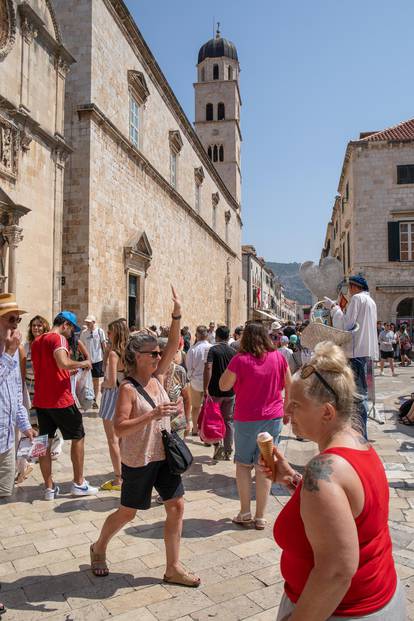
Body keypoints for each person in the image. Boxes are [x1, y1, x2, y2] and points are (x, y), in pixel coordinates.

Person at [260, 341, 405, 621]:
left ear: (327, 412)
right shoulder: (360, 444)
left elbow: (336, 572)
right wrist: (292, 480)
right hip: (381, 596)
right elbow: (347, 509)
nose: (286, 416)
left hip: (341, 612)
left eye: (295, 406)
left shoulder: (324, 471)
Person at [90, 288, 200, 587]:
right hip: (139, 459)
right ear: (137, 357)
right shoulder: (128, 388)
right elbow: (120, 429)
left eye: (158, 353)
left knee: (176, 506)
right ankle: (99, 547)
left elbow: (173, 344)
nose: (158, 356)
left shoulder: (158, 376)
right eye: (152, 353)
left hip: (164, 455)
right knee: (128, 513)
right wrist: (151, 415)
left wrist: (177, 313)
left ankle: (173, 567)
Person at [219, 321, 291, 530]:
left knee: (243, 465)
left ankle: (245, 512)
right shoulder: (278, 357)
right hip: (273, 418)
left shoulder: (239, 360)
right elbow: (289, 384)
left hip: (246, 419)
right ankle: (260, 516)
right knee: (265, 466)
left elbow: (224, 385)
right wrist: (287, 410)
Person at [31, 311, 97, 500]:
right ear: (65, 324)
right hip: (60, 399)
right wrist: (83, 362)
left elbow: (47, 368)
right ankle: (78, 483)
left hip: (41, 400)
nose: (71, 334)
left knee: (44, 442)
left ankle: (49, 488)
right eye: (72, 329)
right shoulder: (58, 339)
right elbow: (62, 363)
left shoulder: (37, 342)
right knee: (78, 436)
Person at [324, 274, 378, 439]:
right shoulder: (371, 301)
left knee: (357, 395)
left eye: (350, 288)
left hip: (355, 352)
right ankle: (359, 432)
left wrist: (334, 308)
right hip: (366, 351)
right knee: (361, 393)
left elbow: (346, 324)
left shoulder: (356, 300)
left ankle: (361, 435)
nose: (349, 291)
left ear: (354, 287)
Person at [0, 293, 36, 498]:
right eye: (10, 319)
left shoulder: (13, 353)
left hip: (5, 440)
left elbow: (15, 393)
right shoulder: (11, 353)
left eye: (18, 320)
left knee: (5, 492)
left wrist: (25, 425)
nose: (15, 325)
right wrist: (9, 352)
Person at [99, 319, 129, 491]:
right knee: (124, 439)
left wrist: (102, 384)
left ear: (115, 333)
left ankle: (119, 479)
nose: (108, 335)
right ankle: (127, 472)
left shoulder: (113, 353)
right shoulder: (129, 351)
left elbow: (110, 381)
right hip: (126, 395)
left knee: (113, 440)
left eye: (109, 332)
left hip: (112, 397)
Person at [203, 325, 236, 460]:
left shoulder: (213, 350)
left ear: (216, 336)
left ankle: (218, 446)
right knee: (228, 420)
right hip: (230, 392)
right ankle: (228, 450)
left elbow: (208, 367)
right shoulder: (233, 352)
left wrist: (206, 387)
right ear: (228, 336)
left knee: (214, 419)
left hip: (215, 391)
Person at [159, 337, 191, 439]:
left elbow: (186, 398)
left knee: (176, 454)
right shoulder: (150, 373)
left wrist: (187, 421)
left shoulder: (179, 371)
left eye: (163, 353)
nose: (160, 357)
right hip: (156, 426)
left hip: (177, 424)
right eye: (157, 354)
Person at [186, 325, 211, 435]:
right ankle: (206, 429)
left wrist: (191, 377)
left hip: (196, 381)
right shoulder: (211, 347)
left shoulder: (193, 349)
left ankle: (195, 428)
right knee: (208, 407)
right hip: (209, 381)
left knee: (195, 407)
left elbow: (189, 365)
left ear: (197, 335)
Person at [80, 315, 107, 408]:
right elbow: (81, 345)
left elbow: (104, 345)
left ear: (94, 322)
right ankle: (86, 398)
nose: (87, 324)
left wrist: (106, 359)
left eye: (89, 322)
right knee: (86, 379)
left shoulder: (100, 331)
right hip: (87, 360)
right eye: (86, 322)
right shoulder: (84, 333)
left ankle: (95, 399)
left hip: (98, 359)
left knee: (96, 380)